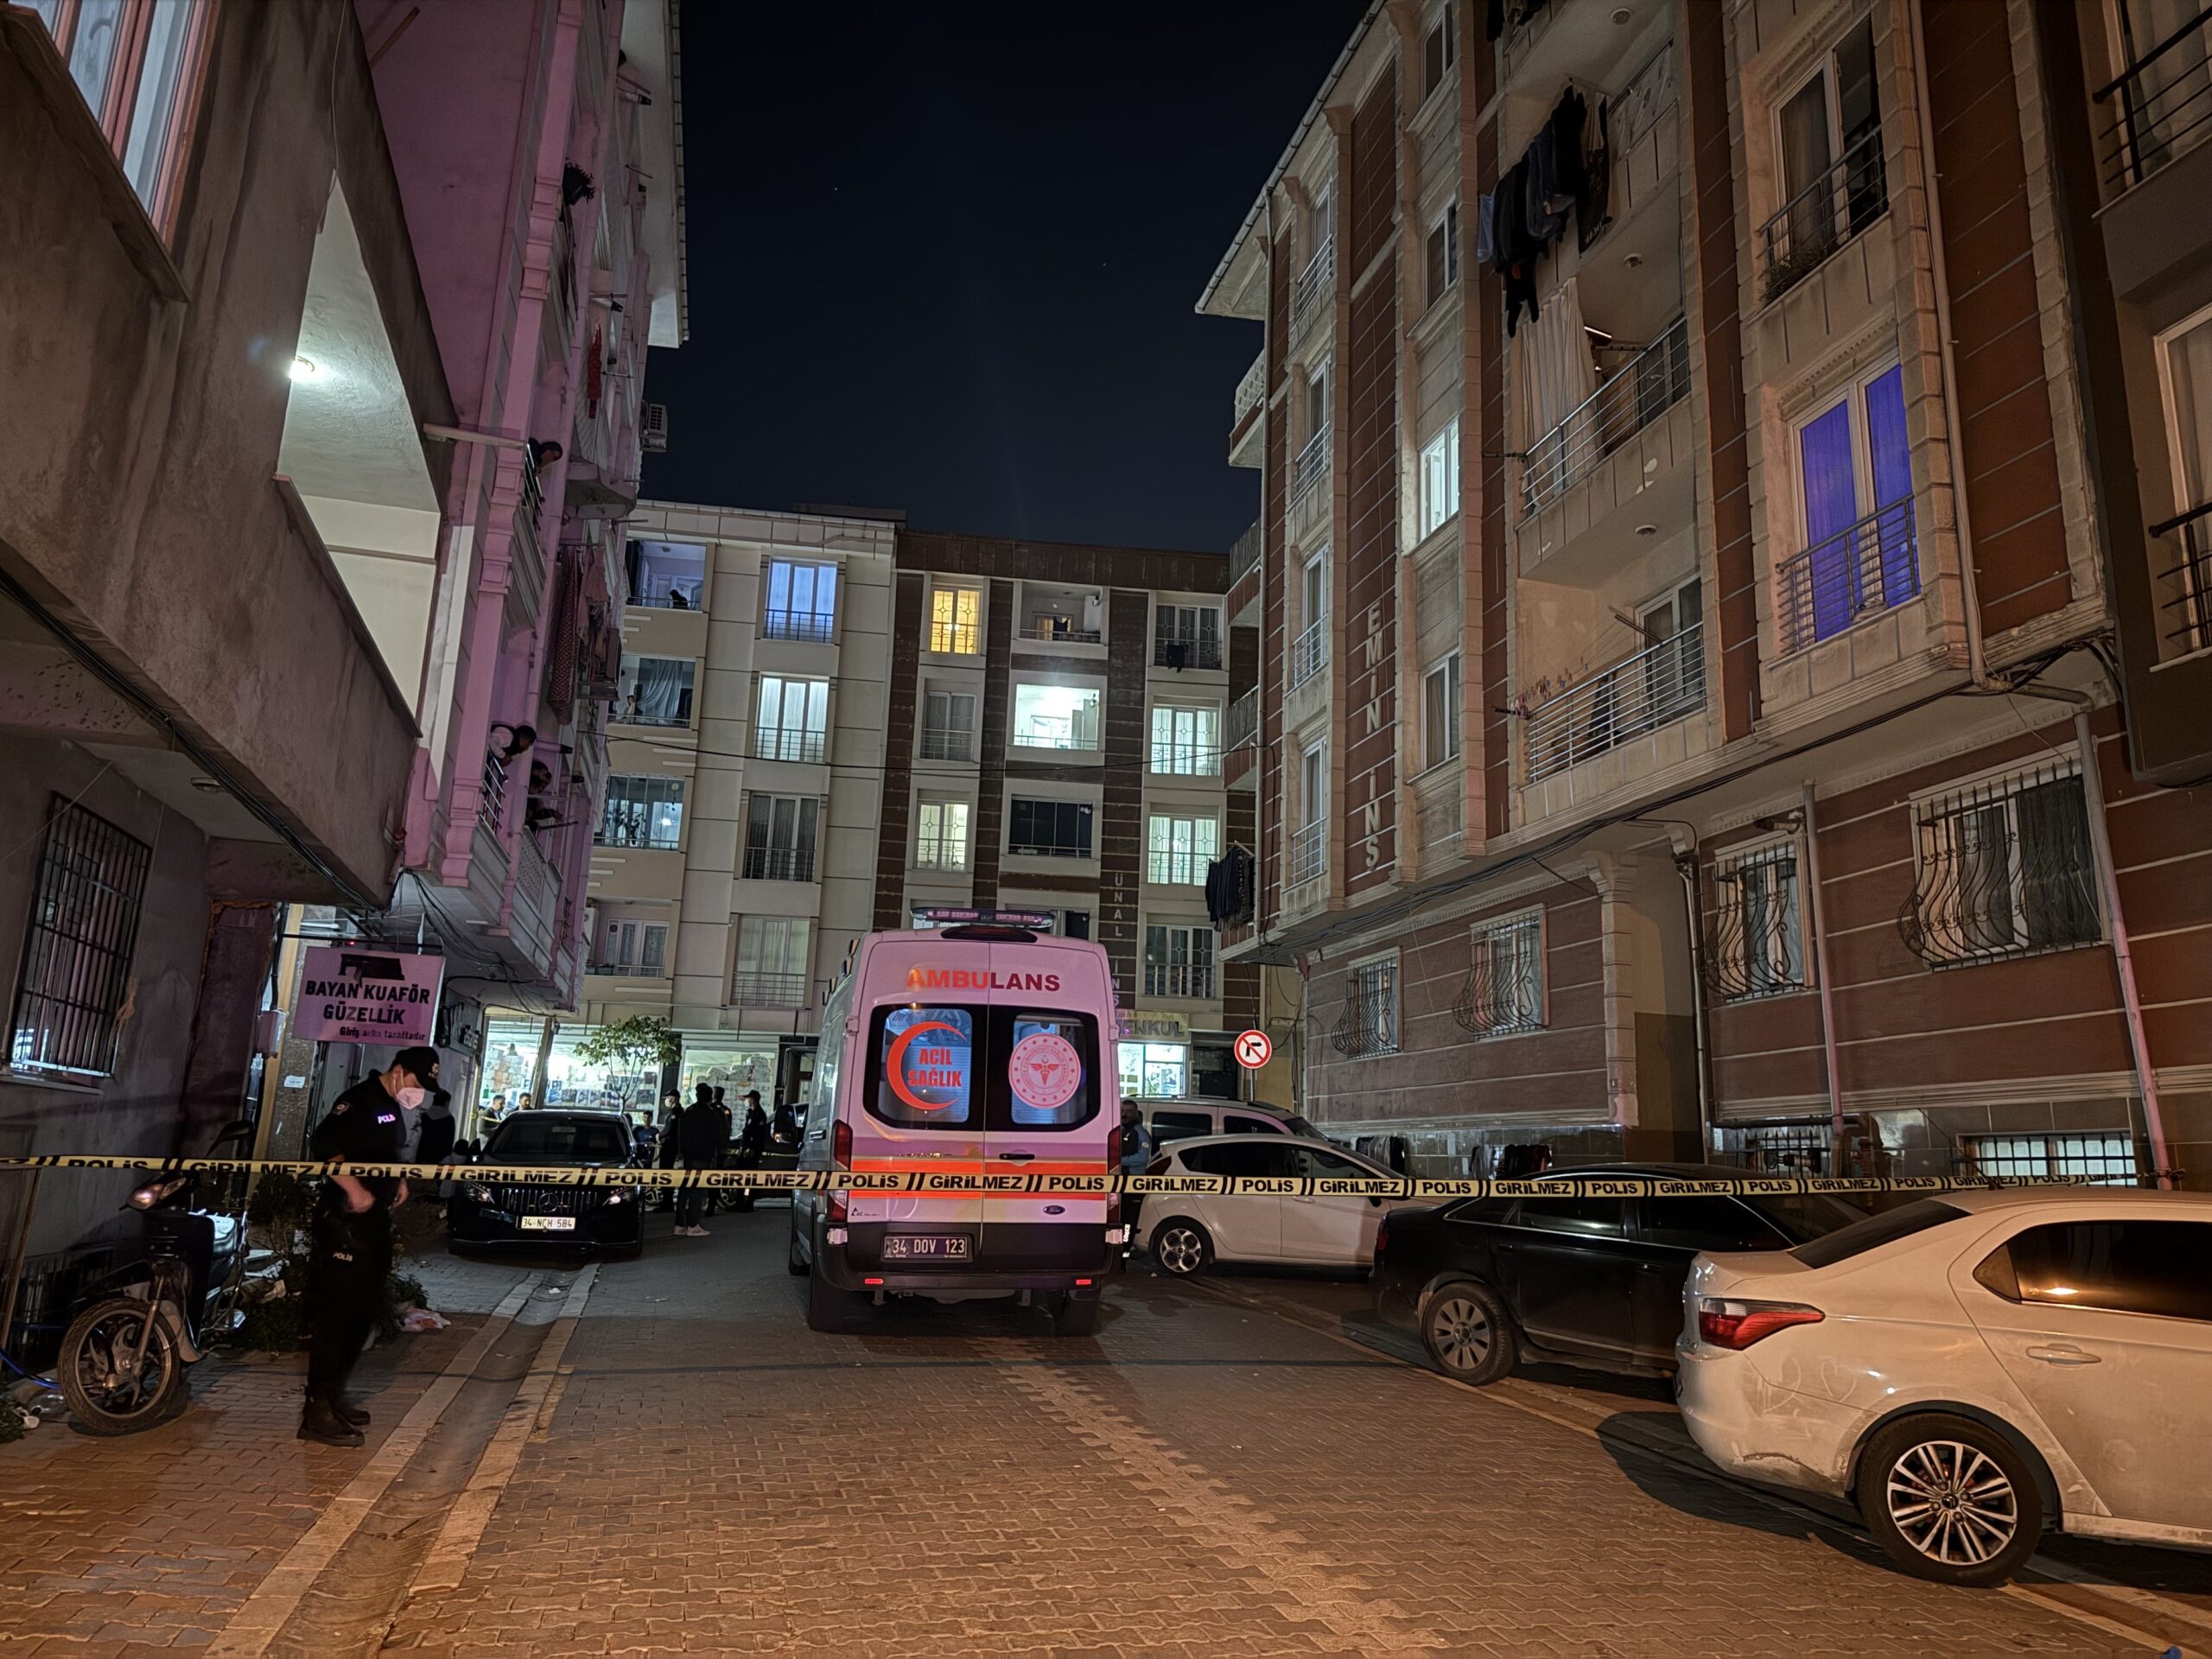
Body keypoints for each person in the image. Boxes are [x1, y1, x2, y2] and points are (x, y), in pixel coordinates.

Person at [302, 1046, 439, 1446]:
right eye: (416, 1082)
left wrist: (397, 1180)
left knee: (362, 1313)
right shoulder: (359, 1099)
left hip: (373, 1220)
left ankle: (334, 1397)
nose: (418, 1092)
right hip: (345, 1220)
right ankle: (316, 1410)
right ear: (398, 1071)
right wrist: (354, 1190)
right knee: (338, 1315)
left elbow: (382, 1152)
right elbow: (323, 1144)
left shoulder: (391, 1105)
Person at [672, 1084, 729, 1236]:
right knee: (697, 1191)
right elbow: (718, 1136)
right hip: (703, 1157)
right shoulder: (712, 1115)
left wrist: (681, 1152)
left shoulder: (688, 1112)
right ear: (710, 1097)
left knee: (685, 1190)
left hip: (688, 1156)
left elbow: (680, 1135)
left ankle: (679, 1224)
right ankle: (693, 1225)